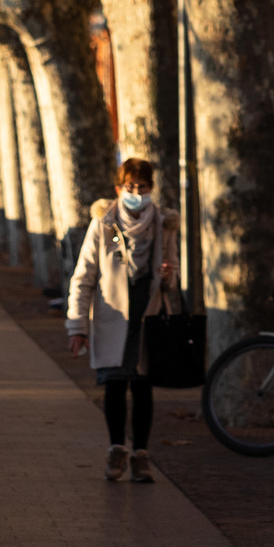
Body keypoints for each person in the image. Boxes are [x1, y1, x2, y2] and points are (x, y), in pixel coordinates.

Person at [66, 157, 177, 483]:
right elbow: (83, 277)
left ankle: (141, 455)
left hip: (149, 317)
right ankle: (117, 450)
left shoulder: (164, 224)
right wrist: (77, 327)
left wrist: (168, 276)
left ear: (151, 189)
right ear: (119, 188)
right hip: (111, 319)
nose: (136, 193)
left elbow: (174, 270)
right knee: (114, 386)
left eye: (142, 187)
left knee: (143, 389)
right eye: (130, 187)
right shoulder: (103, 223)